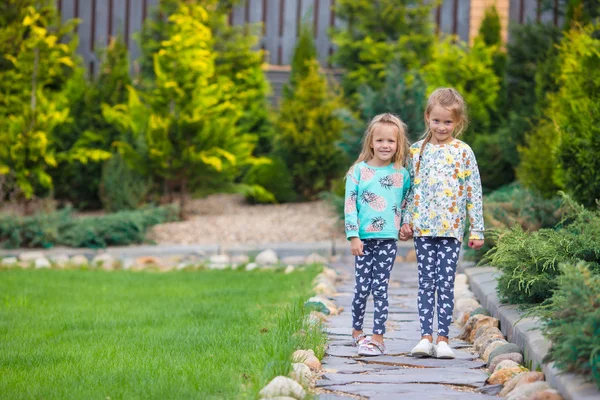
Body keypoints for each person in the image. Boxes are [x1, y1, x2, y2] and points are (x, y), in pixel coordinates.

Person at [400, 88, 485, 359]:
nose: (441, 126)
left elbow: (474, 191)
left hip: (451, 230)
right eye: (436, 121)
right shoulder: (416, 152)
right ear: (427, 117)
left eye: (448, 122)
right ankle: (425, 337)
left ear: (457, 122)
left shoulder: (463, 152)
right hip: (423, 230)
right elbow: (410, 191)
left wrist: (477, 228)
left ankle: (444, 339)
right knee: (426, 282)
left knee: (445, 283)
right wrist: (406, 222)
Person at [344, 113, 411, 356]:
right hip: (363, 240)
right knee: (361, 288)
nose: (385, 145)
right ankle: (356, 332)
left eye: (391, 141)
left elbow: (405, 203)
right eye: (380, 140)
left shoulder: (401, 174)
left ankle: (378, 337)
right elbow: (350, 204)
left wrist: (405, 225)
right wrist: (353, 235)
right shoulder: (358, 171)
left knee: (380, 287)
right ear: (371, 142)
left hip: (387, 240)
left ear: (398, 144)